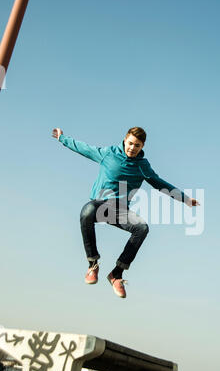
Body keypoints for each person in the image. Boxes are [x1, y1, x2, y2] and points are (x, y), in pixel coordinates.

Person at [52, 126, 199, 298]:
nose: (132, 148)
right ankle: (93, 264)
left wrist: (185, 199)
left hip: (120, 211)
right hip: (100, 205)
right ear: (124, 140)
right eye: (130, 143)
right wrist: (63, 138)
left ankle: (117, 274)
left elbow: (160, 183)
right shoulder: (109, 153)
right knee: (87, 211)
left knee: (142, 228)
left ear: (142, 146)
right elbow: (85, 149)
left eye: (137, 145)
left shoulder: (143, 166)